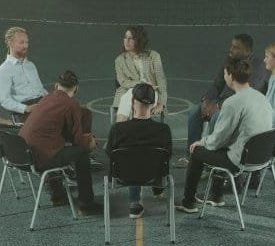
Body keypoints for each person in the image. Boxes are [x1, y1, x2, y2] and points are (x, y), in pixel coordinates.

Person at [176, 56, 273, 212]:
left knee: (197, 152)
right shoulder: (262, 98)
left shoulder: (232, 103)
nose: (224, 75)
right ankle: (216, 196)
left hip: (240, 160)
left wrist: (200, 142)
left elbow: (217, 140)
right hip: (262, 158)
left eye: (225, 73)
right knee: (223, 146)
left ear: (231, 76)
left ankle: (188, 203)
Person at [18, 70, 102, 215]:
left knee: (52, 148)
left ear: (56, 86)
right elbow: (77, 140)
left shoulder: (45, 99)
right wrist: (90, 141)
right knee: (81, 153)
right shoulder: (71, 104)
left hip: (21, 153)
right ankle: (86, 204)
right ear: (76, 89)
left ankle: (58, 195)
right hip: (40, 157)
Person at [180, 33, 269, 166]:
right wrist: (207, 101)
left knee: (216, 118)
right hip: (221, 100)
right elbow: (217, 82)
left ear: (247, 51)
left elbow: (247, 93)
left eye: (236, 47)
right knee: (194, 112)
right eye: (232, 46)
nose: (231, 50)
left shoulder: (257, 66)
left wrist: (218, 106)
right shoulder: (230, 59)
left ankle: (210, 159)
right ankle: (191, 156)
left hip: (237, 104)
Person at [106, 83, 173, 218]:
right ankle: (158, 190)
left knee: (132, 159)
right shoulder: (164, 130)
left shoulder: (118, 129)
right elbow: (168, 155)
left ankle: (134, 204)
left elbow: (110, 153)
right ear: (154, 104)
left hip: (123, 176)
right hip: (155, 175)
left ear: (132, 101)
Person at [0, 26, 49, 122]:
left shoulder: (31, 65)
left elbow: (40, 89)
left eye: (27, 42)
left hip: (42, 104)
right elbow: (5, 100)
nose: (26, 46)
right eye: (21, 42)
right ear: (10, 43)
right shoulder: (3, 71)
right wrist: (26, 108)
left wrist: (51, 98)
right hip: (25, 111)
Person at [113, 25, 167, 122]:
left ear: (139, 40)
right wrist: (140, 83)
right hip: (128, 92)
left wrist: (161, 103)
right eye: (125, 37)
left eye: (131, 38)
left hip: (150, 93)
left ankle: (119, 127)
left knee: (129, 97)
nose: (127, 41)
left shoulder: (153, 56)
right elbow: (123, 82)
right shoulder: (119, 60)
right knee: (130, 94)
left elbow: (161, 81)